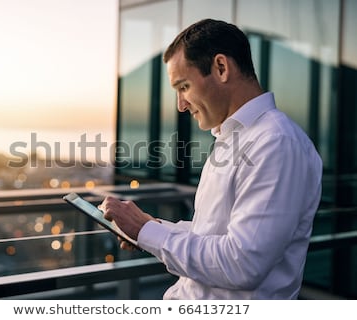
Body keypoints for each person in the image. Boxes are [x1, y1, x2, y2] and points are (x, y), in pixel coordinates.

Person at [99, 18, 323, 299]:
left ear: (221, 67)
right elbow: (215, 235)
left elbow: (243, 263)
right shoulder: (235, 139)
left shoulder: (276, 144)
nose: (180, 105)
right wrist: (152, 227)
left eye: (183, 87)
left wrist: (146, 232)